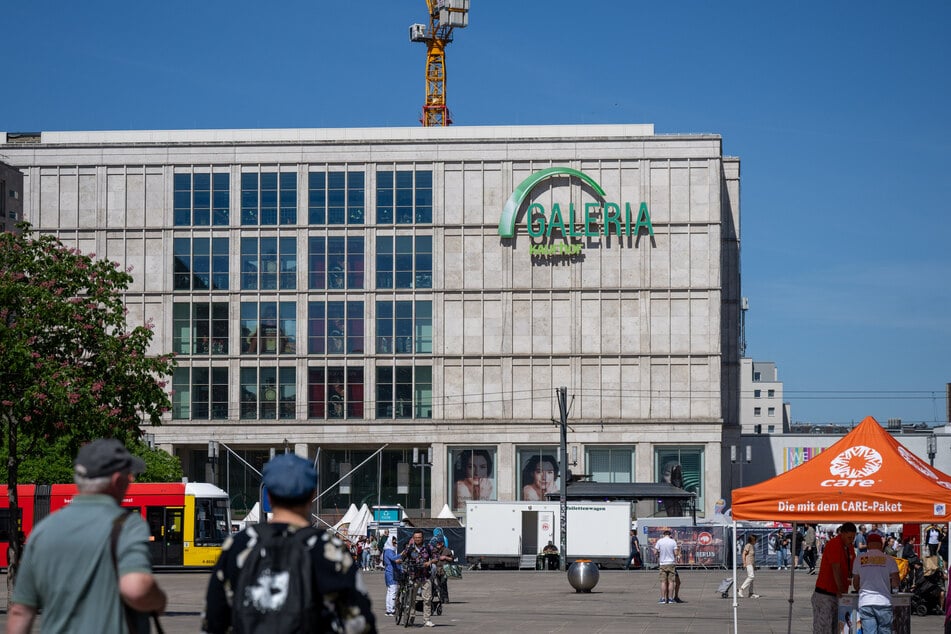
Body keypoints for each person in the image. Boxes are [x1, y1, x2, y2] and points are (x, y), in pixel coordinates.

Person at [7, 438, 167, 634]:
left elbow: (20, 611)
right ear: (117, 481)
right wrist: (159, 599)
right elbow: (136, 588)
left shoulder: (42, 531)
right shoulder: (128, 525)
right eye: (129, 475)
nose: (131, 480)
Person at [202, 453, 375, 633]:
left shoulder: (238, 545)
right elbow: (360, 624)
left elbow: (214, 619)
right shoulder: (329, 549)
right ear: (312, 495)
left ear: (267, 495)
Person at [812, 522, 857, 634]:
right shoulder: (834, 544)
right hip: (826, 594)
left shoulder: (850, 547)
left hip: (839, 595)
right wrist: (840, 588)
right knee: (823, 628)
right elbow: (835, 568)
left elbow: (853, 568)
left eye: (853, 537)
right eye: (849, 537)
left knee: (837, 629)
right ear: (842, 534)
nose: (851, 540)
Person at [852, 532, 899, 633]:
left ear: (868, 545)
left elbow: (855, 584)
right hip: (884, 601)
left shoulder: (859, 559)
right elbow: (896, 582)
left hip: (865, 602)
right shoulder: (890, 560)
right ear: (881, 545)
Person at [396, 529, 444, 628]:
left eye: (419, 537)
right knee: (411, 599)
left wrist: (429, 562)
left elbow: (436, 557)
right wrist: (399, 560)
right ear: (413, 538)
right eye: (416, 538)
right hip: (413, 577)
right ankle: (411, 618)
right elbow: (403, 556)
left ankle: (427, 620)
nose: (417, 539)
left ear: (422, 538)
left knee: (427, 599)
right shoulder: (409, 548)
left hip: (425, 577)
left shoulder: (428, 547)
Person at [654, 529, 681, 604]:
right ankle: (670, 599)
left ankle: (662, 599)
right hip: (671, 563)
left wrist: (658, 555)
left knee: (663, 582)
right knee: (671, 581)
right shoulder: (673, 541)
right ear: (670, 535)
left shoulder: (660, 541)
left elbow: (655, 551)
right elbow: (676, 553)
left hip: (662, 563)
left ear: (663, 535)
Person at [382, 536, 401, 617]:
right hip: (391, 572)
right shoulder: (389, 551)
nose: (395, 543)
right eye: (393, 542)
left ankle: (389, 609)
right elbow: (393, 558)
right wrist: (402, 554)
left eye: (395, 542)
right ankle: (392, 610)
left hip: (389, 572)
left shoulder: (388, 550)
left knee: (390, 592)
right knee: (393, 591)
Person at [739, 534, 761, 599]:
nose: (756, 541)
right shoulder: (748, 545)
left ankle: (750, 593)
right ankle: (741, 589)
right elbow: (743, 554)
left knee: (752, 579)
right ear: (753, 540)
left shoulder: (752, 546)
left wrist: (754, 566)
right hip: (748, 563)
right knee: (751, 576)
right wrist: (744, 563)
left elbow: (752, 557)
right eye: (755, 540)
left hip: (751, 563)